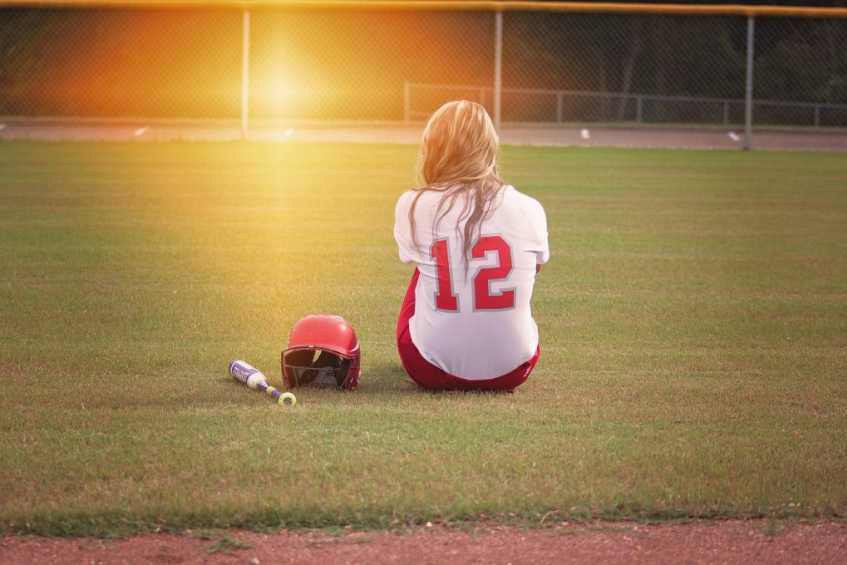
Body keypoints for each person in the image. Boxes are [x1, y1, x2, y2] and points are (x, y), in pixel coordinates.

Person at [394, 100, 550, 392]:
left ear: (433, 147)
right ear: (489, 147)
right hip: (513, 370)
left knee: (425, 268)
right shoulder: (531, 207)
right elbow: (534, 270)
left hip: (428, 368)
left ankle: (447, 340)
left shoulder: (413, 204)